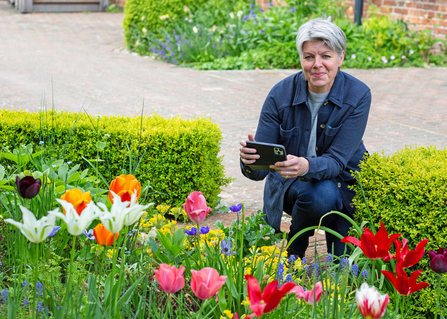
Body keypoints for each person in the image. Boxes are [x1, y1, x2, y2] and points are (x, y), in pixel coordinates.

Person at [239, 17, 371, 259]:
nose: (317, 64)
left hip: (344, 187)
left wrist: (305, 165)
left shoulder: (358, 94)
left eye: (326, 56)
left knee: (345, 264)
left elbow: (337, 161)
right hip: (295, 189)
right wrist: (250, 160)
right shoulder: (280, 94)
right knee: (321, 194)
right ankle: (296, 247)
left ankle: (318, 233)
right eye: (309, 56)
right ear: (301, 58)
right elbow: (260, 172)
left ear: (340, 58)